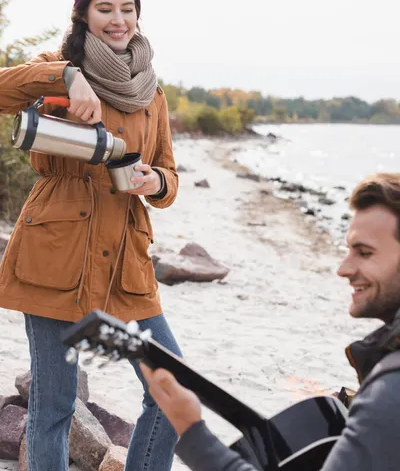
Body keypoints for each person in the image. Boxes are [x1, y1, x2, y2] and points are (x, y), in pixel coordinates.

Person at [0, 0, 182, 471]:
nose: (117, 18)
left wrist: (155, 182)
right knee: (55, 403)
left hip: (127, 261)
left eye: (127, 8)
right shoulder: (53, 68)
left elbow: (170, 175)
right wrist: (67, 75)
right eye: (105, 8)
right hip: (57, 254)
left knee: (170, 384)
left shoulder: (153, 93)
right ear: (83, 14)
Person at [141, 172, 400, 471]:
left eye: (364, 253)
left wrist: (192, 432)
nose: (343, 269)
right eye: (348, 251)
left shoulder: (389, 391)